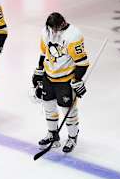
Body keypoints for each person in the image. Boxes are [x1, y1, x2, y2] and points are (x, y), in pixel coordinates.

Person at [32, 12, 89, 153]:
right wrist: (39, 70)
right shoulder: (46, 31)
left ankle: (72, 137)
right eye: (50, 28)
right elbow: (43, 53)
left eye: (55, 29)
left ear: (62, 23)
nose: (52, 32)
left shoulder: (73, 36)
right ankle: (53, 135)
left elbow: (82, 63)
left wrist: (77, 80)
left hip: (65, 80)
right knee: (48, 107)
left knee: (68, 111)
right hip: (49, 76)